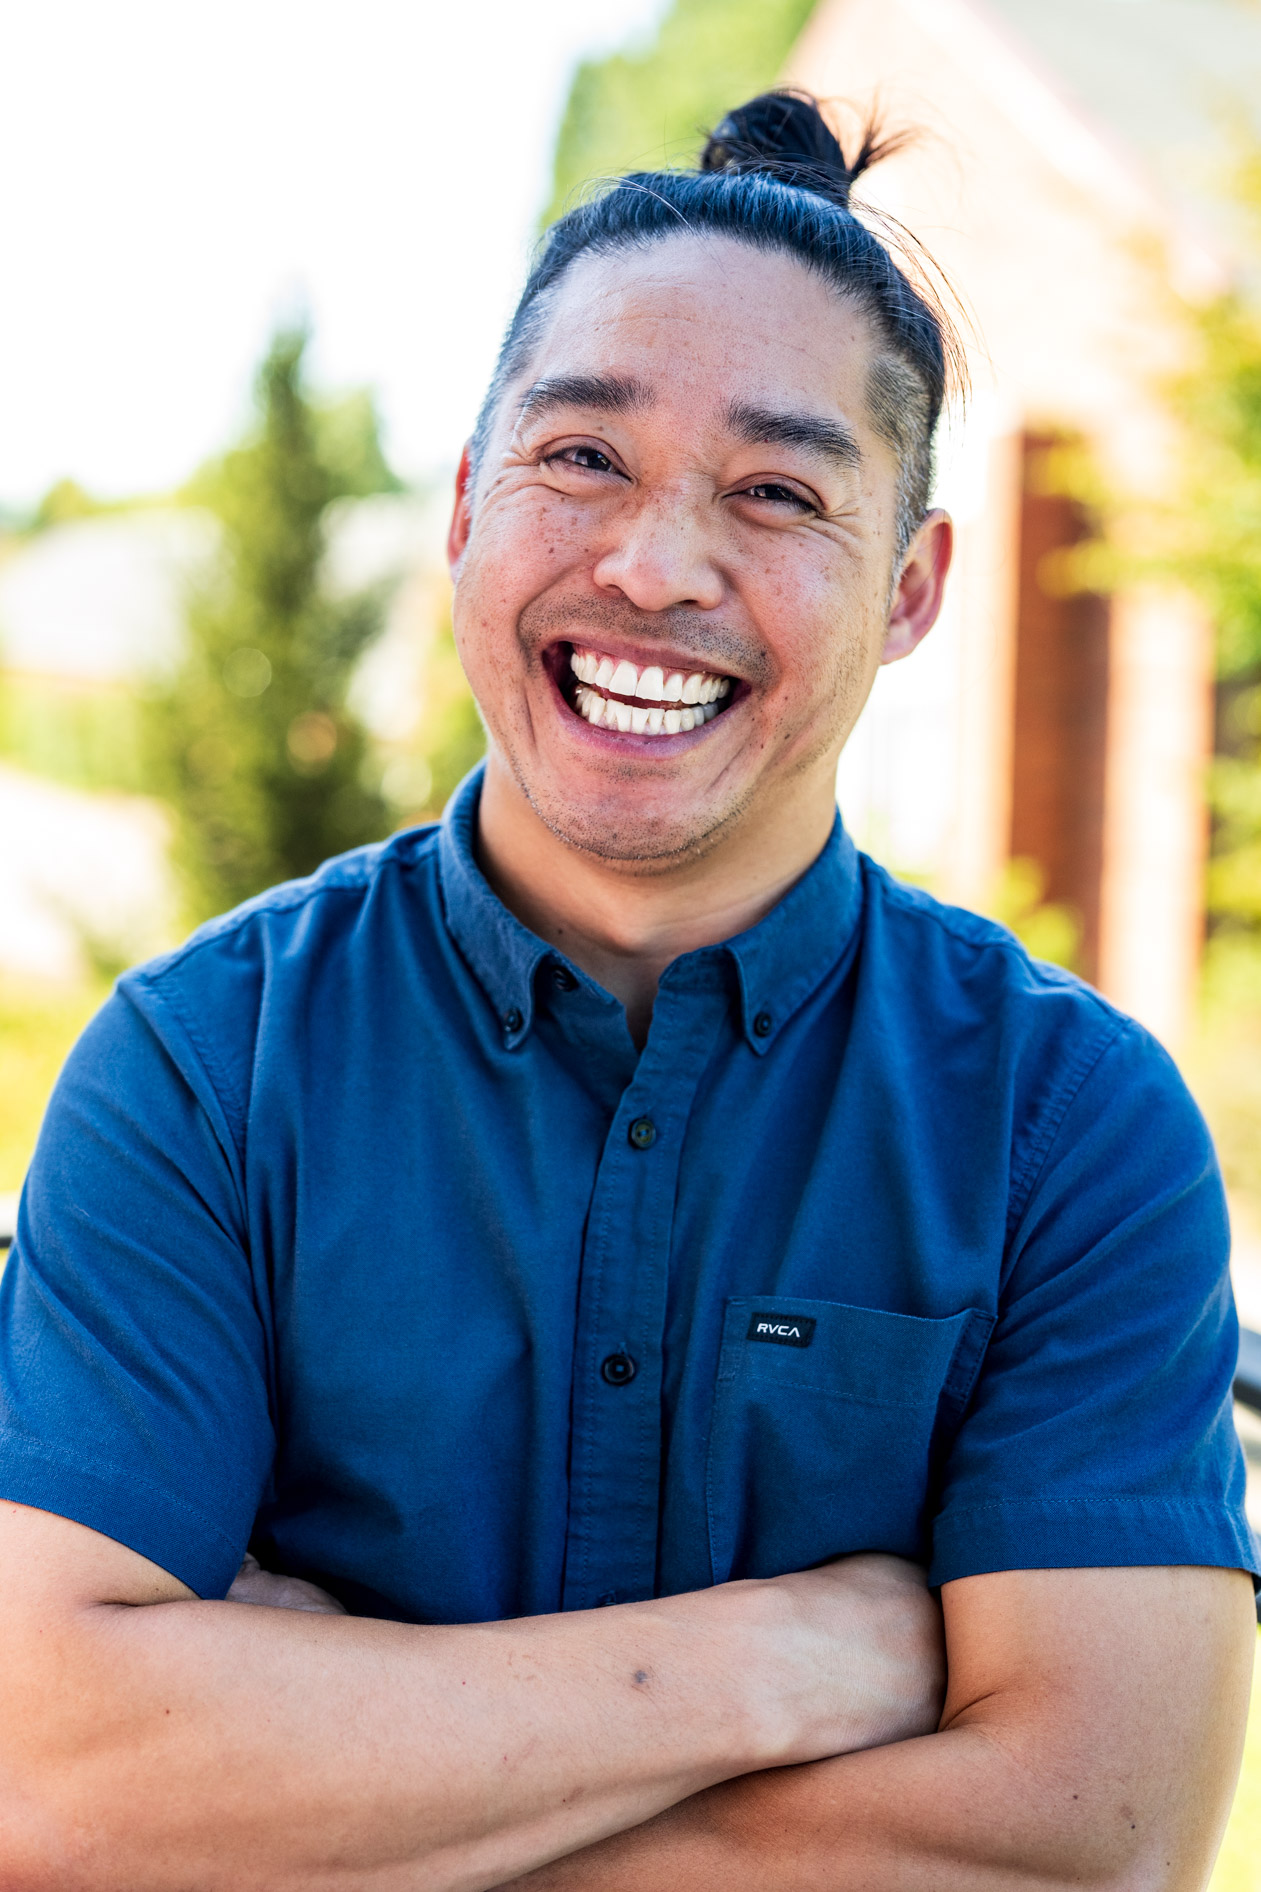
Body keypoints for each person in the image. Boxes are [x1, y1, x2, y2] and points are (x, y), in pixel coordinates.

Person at [0, 90, 1254, 1891]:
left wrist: (323, 1773)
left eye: (777, 492)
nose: (655, 569)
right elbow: (50, 1783)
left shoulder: (1071, 1131)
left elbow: (1083, 1845)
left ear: (908, 589)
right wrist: (784, 1669)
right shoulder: (202, 1070)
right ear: (462, 504)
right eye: (582, 459)